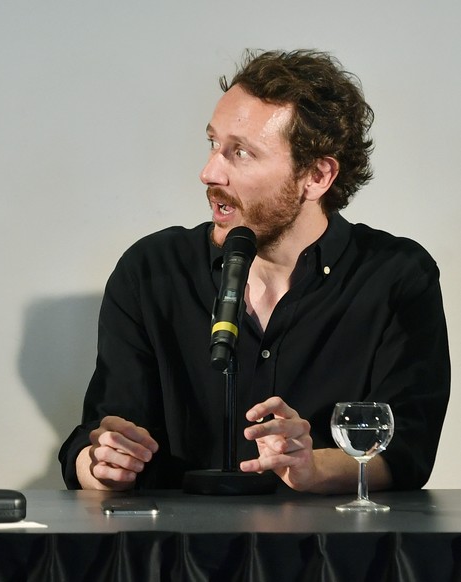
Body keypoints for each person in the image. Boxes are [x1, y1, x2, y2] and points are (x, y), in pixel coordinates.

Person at [59, 50, 450, 494]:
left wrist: (312, 467)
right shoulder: (151, 270)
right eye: (213, 144)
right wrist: (100, 461)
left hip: (329, 557)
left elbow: (406, 453)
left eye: (240, 153)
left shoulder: (396, 276)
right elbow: (100, 433)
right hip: (176, 554)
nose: (209, 172)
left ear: (317, 176)